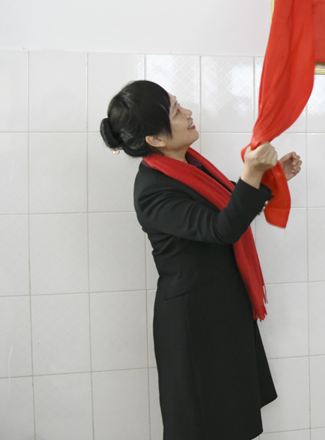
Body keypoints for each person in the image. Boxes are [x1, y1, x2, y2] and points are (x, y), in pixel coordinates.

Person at [99, 80, 302, 440]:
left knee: (231, 420)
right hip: (194, 326)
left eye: (179, 105)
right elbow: (221, 228)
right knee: (202, 424)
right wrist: (252, 173)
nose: (188, 113)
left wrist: (269, 180)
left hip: (222, 312)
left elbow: (227, 204)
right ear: (155, 139)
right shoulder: (152, 190)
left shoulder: (189, 165)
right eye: (176, 112)